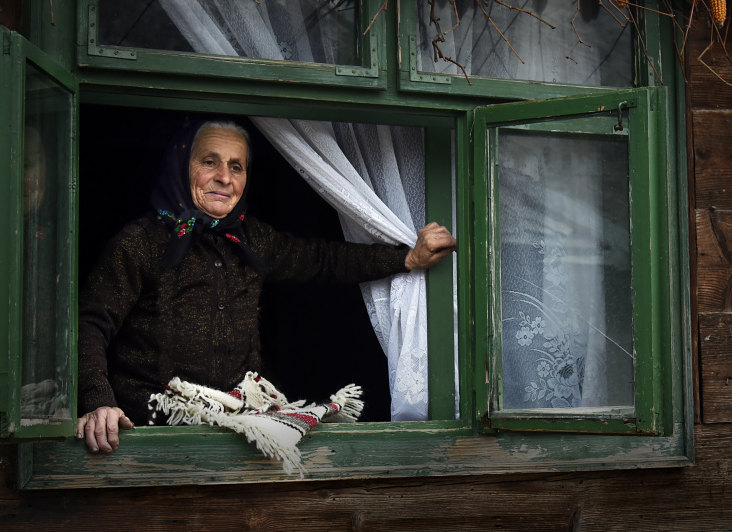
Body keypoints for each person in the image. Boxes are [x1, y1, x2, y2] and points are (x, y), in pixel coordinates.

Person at [76, 120, 456, 453]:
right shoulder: (141, 242)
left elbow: (322, 260)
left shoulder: (251, 239)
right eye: (210, 161)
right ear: (181, 164)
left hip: (237, 424)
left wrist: (407, 258)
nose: (225, 177)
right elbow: (90, 323)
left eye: (236, 166)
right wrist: (98, 401)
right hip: (156, 426)